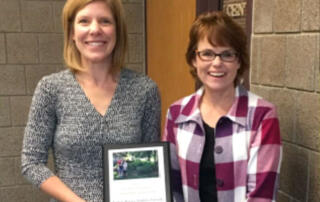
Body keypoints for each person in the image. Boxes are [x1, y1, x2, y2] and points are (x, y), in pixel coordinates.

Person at [21, 0, 161, 201]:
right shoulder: (51, 88)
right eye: (84, 21)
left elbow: (148, 163)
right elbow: (31, 162)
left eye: (105, 21)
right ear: (71, 32)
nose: (95, 30)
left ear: (117, 31)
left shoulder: (145, 90)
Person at [162, 11, 282, 202]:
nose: (217, 63)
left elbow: (261, 196)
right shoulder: (177, 113)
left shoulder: (263, 115)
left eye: (227, 54)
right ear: (194, 59)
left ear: (239, 61)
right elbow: (172, 187)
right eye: (207, 54)